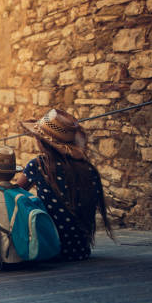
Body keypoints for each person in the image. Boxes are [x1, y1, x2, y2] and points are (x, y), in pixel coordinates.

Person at [16, 108, 113, 261]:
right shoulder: (87, 169)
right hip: (79, 250)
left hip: (50, 249)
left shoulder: (39, 165)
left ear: (43, 142)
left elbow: (13, 192)